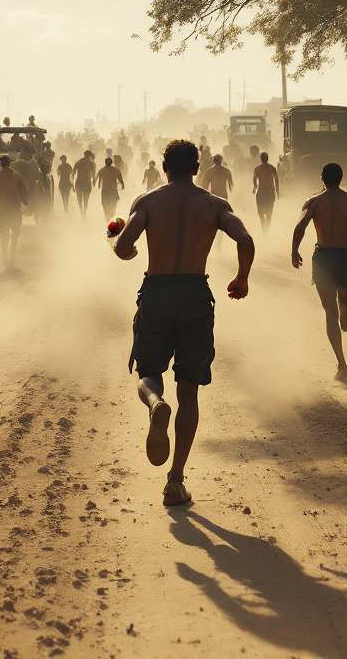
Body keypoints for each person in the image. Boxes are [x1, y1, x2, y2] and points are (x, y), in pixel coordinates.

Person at [113, 140, 255, 506]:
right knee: (189, 391)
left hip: (157, 291)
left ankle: (156, 403)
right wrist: (242, 278)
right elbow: (245, 239)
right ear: (197, 169)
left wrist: (123, 245)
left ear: (164, 169)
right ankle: (175, 480)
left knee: (147, 373)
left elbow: (124, 246)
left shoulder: (147, 201)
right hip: (194, 294)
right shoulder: (215, 205)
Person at [291, 163, 347, 381]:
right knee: (345, 308)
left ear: (322, 179)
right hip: (346, 256)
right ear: (341, 177)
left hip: (324, 257)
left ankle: (342, 365)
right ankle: (346, 306)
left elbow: (300, 226)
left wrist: (294, 251)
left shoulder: (314, 202)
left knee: (330, 314)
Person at [0, 155, 29, 268]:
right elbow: (25, 191)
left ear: (1, 164)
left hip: (2, 209)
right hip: (14, 208)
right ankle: (12, 253)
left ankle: (5, 257)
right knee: (15, 232)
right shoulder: (16, 175)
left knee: (3, 234)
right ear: (9, 163)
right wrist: (25, 204)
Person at [252, 152, 279, 232]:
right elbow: (277, 180)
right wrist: (277, 191)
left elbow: (254, 179)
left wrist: (255, 187)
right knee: (267, 213)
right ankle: (265, 228)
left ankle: (265, 229)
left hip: (264, 191)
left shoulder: (259, 168)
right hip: (268, 191)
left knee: (263, 212)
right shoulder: (271, 168)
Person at [95, 156, 125, 221]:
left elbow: (99, 180)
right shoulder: (115, 170)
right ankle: (110, 216)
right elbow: (120, 179)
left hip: (106, 190)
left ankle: (108, 216)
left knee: (105, 204)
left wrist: (98, 185)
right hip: (112, 190)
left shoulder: (102, 170)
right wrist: (122, 184)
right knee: (112, 204)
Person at [72, 150, 96, 218]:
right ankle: (84, 212)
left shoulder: (80, 162)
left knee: (80, 199)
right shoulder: (90, 163)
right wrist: (93, 182)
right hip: (86, 182)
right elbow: (93, 174)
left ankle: (82, 212)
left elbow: (73, 172)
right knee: (85, 199)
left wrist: (73, 183)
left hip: (80, 182)